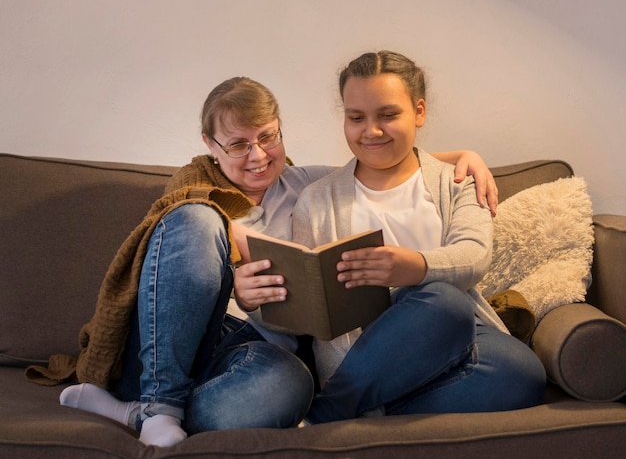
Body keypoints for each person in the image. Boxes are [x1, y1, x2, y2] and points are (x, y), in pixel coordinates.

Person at [41, 75, 498, 446]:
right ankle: (159, 404)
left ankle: (135, 413)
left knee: (291, 385)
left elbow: (385, 159)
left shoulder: (310, 186)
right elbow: (182, 228)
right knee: (198, 219)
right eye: (237, 144)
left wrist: (464, 156)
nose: (258, 156)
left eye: (267, 138)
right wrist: (234, 268)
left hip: (249, 356)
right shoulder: (190, 189)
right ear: (210, 144)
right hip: (180, 337)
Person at [289, 51, 547, 424]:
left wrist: (413, 266)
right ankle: (343, 403)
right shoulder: (317, 199)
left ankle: (347, 413)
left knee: (522, 371)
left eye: (388, 115)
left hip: (451, 334)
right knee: (445, 301)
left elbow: (474, 255)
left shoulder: (457, 182)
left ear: (419, 112)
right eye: (356, 118)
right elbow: (308, 301)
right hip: (362, 354)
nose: (371, 131)